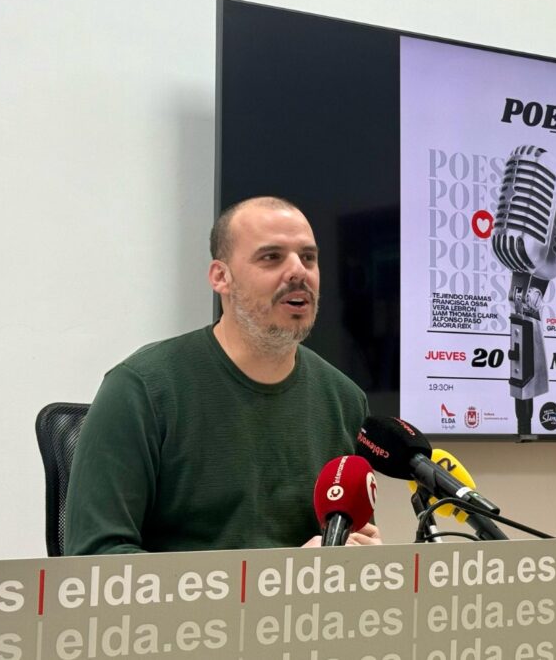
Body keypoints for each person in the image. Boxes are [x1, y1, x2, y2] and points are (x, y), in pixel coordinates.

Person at [65, 196, 380, 554]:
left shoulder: (345, 400)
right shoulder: (141, 389)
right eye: (271, 257)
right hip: (192, 595)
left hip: (309, 593)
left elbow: (349, 534)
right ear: (220, 277)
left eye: (308, 257)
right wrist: (283, 574)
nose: (298, 272)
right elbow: (95, 558)